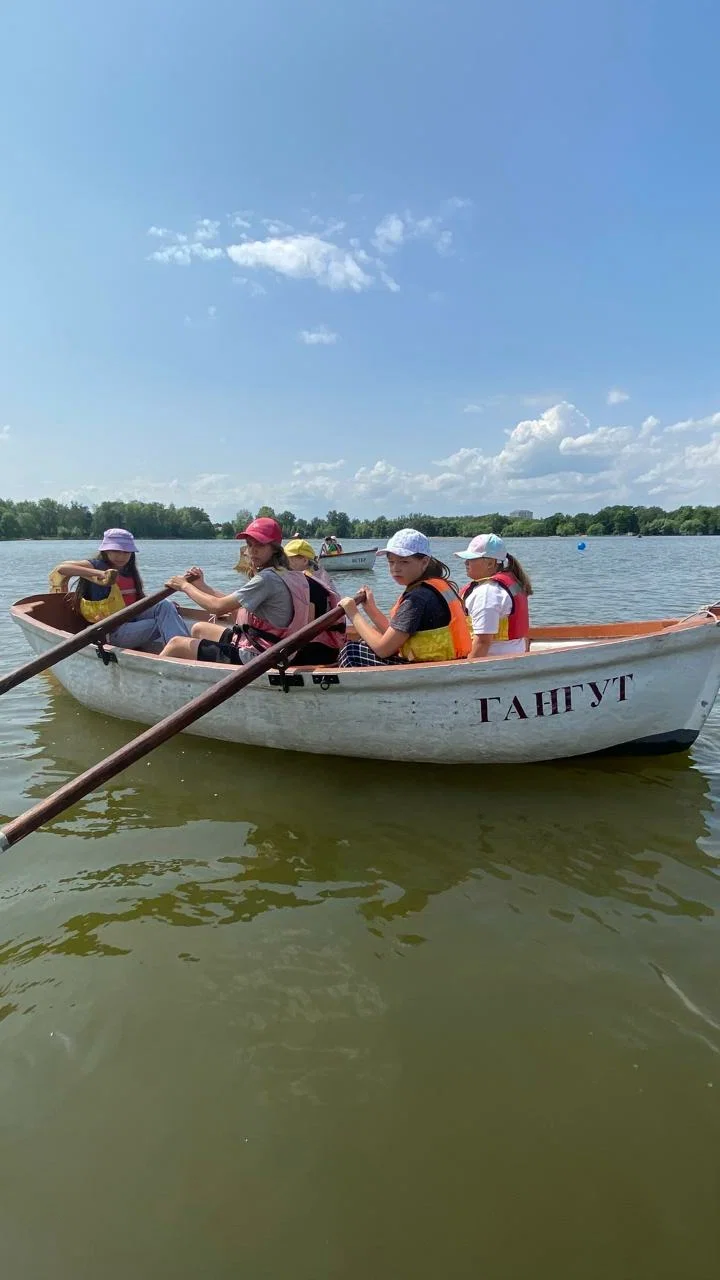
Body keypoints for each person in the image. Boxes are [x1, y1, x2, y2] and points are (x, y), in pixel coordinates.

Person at [160, 517, 333, 666]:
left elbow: (218, 607)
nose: (253, 551)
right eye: (250, 545)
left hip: (260, 657)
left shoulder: (267, 579)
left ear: (274, 547)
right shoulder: (290, 574)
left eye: (260, 545)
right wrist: (202, 586)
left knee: (176, 645)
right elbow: (232, 602)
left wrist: (184, 586)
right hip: (275, 648)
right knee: (199, 628)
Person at [338, 528, 471, 667]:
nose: (396, 568)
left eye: (404, 562)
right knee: (364, 643)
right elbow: (394, 637)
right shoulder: (435, 585)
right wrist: (370, 609)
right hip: (446, 665)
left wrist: (353, 613)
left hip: (432, 671)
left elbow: (383, 650)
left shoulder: (418, 597)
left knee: (351, 651)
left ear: (424, 562)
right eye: (391, 562)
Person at [49, 528, 191, 650]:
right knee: (162, 622)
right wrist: (98, 574)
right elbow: (63, 569)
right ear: (105, 550)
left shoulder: (129, 571)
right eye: (116, 551)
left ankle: (183, 648)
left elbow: (136, 600)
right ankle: (180, 648)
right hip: (114, 631)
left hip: (132, 620)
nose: (121, 556)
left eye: (126, 552)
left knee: (165, 605)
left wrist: (168, 609)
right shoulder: (97, 565)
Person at [454, 534, 532, 659]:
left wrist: (465, 673)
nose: (466, 563)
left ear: (490, 563)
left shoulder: (487, 593)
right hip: (515, 658)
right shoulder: (510, 583)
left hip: (495, 666)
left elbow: (482, 642)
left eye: (471, 559)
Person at [284, 538, 346, 663]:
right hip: (328, 645)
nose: (283, 563)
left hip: (317, 650)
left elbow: (308, 628)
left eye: (288, 559)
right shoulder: (318, 577)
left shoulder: (308, 584)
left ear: (304, 560)